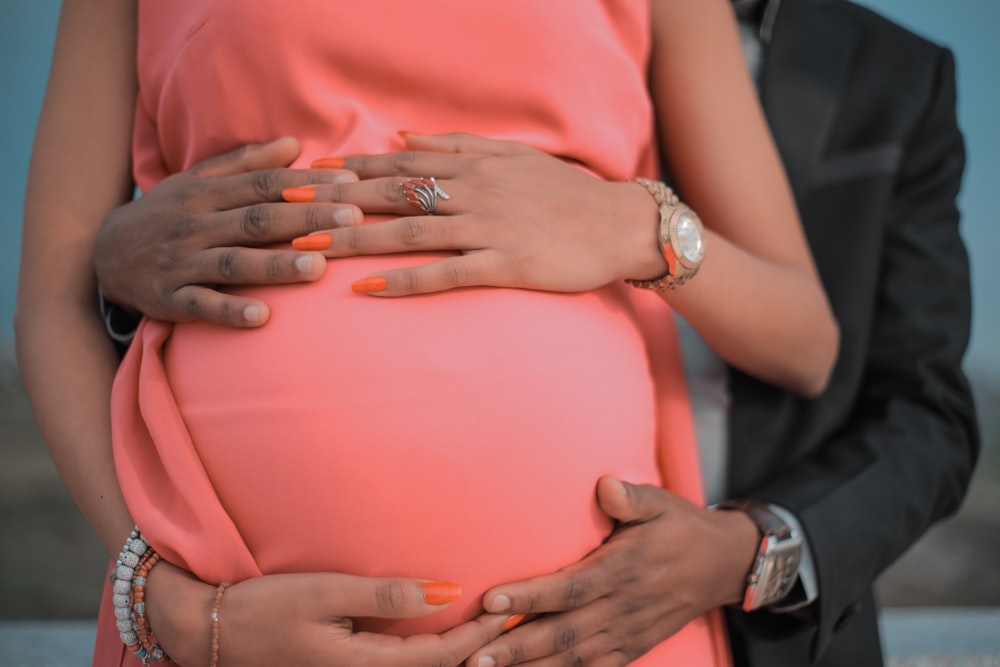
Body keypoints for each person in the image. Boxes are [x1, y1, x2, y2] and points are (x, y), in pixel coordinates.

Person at [80, 1, 979, 666]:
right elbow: (57, 290)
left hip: (612, 623)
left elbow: (859, 374)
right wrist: (175, 610)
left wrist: (634, 225)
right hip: (233, 605)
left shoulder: (873, 71)